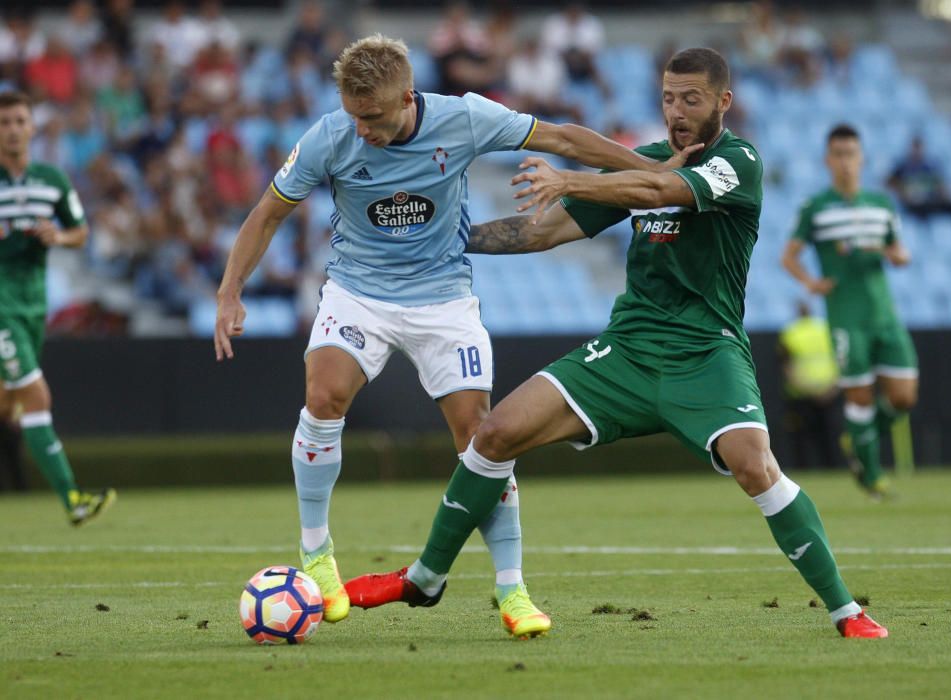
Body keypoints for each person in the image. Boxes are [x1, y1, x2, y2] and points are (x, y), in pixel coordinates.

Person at [344, 48, 888, 640]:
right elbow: (540, 230)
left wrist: (569, 177)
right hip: (626, 350)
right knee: (494, 435)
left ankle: (846, 611)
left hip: (705, 353)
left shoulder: (739, 162)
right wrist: (444, 241)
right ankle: (426, 578)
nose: (676, 112)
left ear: (723, 103)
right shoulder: (647, 162)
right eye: (668, 98)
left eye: (692, 99)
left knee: (756, 467)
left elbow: (659, 191)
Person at [213, 34, 691, 638]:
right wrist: (230, 291)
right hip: (359, 292)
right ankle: (316, 553)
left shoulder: (463, 118)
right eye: (353, 115)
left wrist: (655, 170)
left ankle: (512, 590)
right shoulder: (329, 137)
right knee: (323, 394)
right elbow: (267, 213)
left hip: (443, 299)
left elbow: (565, 138)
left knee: (482, 438)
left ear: (407, 98)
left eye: (374, 118)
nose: (361, 130)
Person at [782, 124, 917, 498]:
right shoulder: (816, 208)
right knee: (859, 396)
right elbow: (788, 257)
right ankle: (871, 475)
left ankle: (859, 439)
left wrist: (898, 255)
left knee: (904, 397)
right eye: (838, 154)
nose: (845, 162)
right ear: (828, 160)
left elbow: (900, 251)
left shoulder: (881, 204)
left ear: (862, 158)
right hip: (846, 316)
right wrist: (810, 282)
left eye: (851, 154)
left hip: (884, 313)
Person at [0, 90, 116, 524]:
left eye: (18, 121)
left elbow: (81, 232)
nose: (11, 129)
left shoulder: (52, 179)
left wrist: (58, 236)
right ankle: (73, 499)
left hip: (33, 302)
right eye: (4, 122)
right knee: (35, 395)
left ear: (32, 127)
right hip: (2, 304)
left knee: (7, 402)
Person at [777, 300, 840, 469]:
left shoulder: (790, 332)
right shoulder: (826, 329)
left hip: (801, 393)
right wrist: (833, 386)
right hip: (827, 391)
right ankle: (831, 468)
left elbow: (786, 364)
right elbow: (839, 359)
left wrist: (805, 387)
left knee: (801, 436)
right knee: (827, 435)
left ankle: (804, 469)